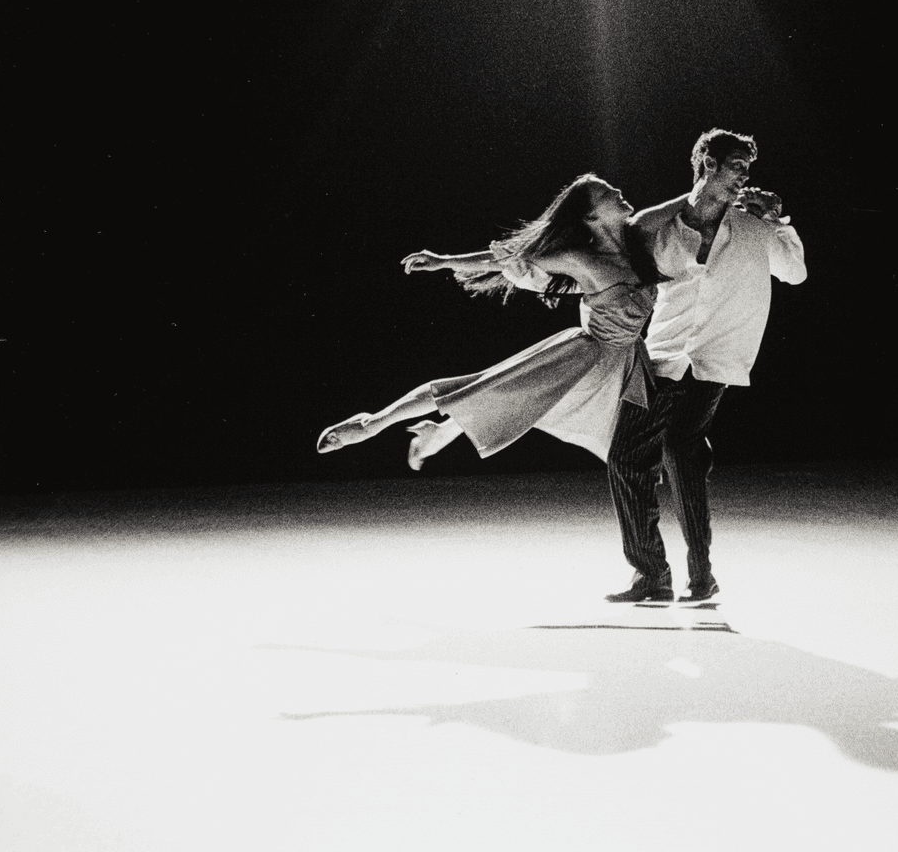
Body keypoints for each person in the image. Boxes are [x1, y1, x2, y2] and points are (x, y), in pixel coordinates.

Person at [316, 175, 666, 469]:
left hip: (628, 361)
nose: (619, 193)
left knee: (507, 398)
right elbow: (509, 260)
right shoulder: (578, 258)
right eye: (608, 194)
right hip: (586, 357)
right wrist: (443, 261)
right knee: (483, 388)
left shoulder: (639, 239)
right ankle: (372, 423)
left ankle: (440, 433)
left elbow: (689, 204)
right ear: (591, 216)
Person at [605, 128, 807, 605]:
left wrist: (777, 221)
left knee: (681, 445)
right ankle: (654, 574)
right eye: (736, 166)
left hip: (715, 358)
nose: (745, 177)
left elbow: (795, 273)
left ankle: (700, 571)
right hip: (662, 355)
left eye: (747, 170)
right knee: (628, 460)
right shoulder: (664, 229)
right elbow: (630, 238)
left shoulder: (755, 228)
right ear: (708, 165)